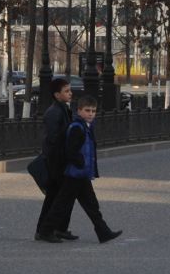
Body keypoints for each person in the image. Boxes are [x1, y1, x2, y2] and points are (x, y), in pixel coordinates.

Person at [45, 95, 122, 243]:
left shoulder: (86, 127)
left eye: (93, 111)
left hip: (81, 173)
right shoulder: (77, 128)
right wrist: (80, 162)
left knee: (91, 204)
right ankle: (45, 231)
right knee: (63, 204)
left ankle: (103, 232)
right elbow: (71, 151)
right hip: (74, 173)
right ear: (79, 110)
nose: (91, 113)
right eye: (87, 110)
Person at [34, 77, 76, 242]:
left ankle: (60, 228)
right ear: (57, 95)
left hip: (62, 160)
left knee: (63, 197)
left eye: (70, 90)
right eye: (66, 91)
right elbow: (52, 140)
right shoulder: (54, 113)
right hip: (56, 162)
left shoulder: (63, 109)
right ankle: (43, 231)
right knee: (53, 198)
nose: (70, 93)